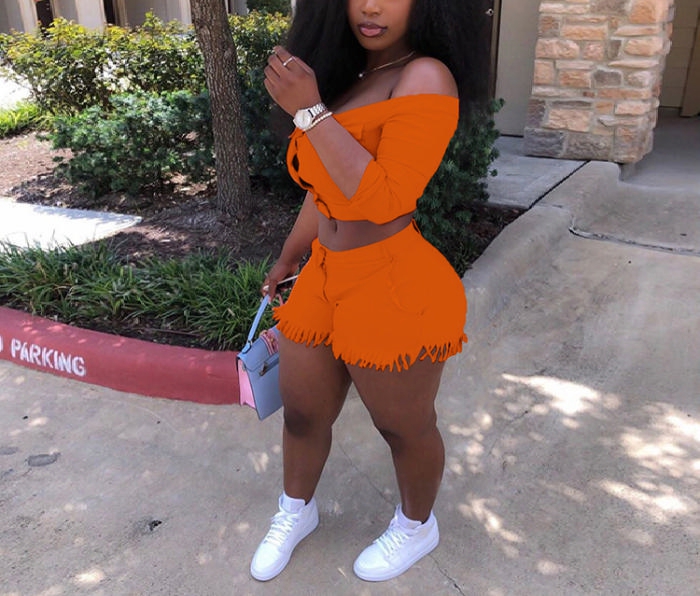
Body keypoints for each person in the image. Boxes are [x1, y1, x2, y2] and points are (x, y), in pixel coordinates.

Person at [250, 0, 490, 583]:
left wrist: (310, 111)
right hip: (325, 273)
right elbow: (324, 188)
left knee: (403, 426)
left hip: (391, 279)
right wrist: (290, 254)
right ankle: (296, 511)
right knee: (302, 412)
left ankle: (416, 525)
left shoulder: (425, 76)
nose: (372, 6)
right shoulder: (351, 74)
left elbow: (385, 197)